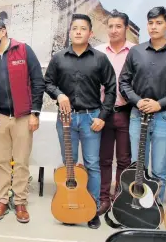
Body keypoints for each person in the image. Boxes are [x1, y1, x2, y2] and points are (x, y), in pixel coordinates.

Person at [45, 14, 116, 229]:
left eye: (83, 28)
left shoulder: (100, 58)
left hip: (90, 118)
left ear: (90, 33)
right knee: (69, 166)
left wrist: (102, 117)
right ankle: (70, 204)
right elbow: (48, 82)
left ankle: (92, 210)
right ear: (70, 32)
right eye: (74, 28)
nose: (78, 31)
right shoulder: (58, 58)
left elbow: (112, 89)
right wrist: (59, 94)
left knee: (92, 165)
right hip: (65, 120)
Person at [0, 18, 45, 224]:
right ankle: (1, 201)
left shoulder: (24, 50)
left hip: (23, 117)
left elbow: (37, 81)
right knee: (1, 162)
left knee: (21, 162)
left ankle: (20, 202)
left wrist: (35, 113)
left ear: (3, 31)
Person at [119, 6, 166, 202]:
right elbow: (124, 82)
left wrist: (159, 104)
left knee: (159, 169)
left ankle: (155, 210)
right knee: (137, 167)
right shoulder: (136, 52)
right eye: (150, 23)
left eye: (159, 23)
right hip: (138, 115)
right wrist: (137, 100)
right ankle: (136, 209)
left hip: (165, 118)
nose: (154, 27)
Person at [94, 11, 135, 215]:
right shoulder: (98, 52)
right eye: (110, 26)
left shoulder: (135, 52)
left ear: (125, 28)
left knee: (124, 160)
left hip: (127, 112)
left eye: (118, 26)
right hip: (103, 113)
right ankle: (103, 198)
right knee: (104, 159)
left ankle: (119, 197)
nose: (113, 30)